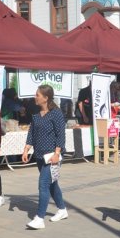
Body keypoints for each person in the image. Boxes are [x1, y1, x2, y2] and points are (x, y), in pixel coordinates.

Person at [21, 84, 68, 229]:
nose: (35, 97)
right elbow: (32, 132)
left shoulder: (56, 113)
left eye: (37, 95)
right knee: (52, 184)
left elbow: (61, 134)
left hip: (52, 156)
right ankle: (62, 210)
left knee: (43, 185)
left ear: (46, 98)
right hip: (39, 155)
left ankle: (39, 218)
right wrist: (26, 149)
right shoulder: (35, 113)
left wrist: (57, 153)